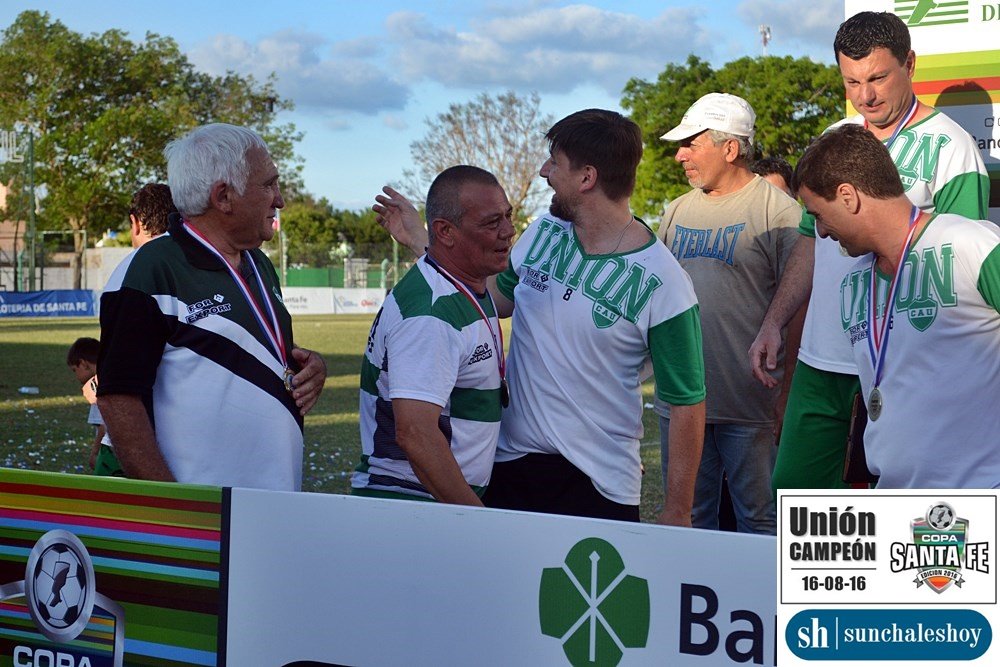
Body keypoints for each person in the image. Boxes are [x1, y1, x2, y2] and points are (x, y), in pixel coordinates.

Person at [375, 109, 706, 525]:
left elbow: (687, 401)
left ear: (586, 177)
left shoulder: (666, 282)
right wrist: (428, 242)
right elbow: (492, 300)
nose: (544, 171)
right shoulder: (542, 232)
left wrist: (678, 509)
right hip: (509, 466)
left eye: (555, 162)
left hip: (599, 482)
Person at [749, 11, 989, 492]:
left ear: (910, 65)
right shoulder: (835, 136)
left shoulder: (952, 146)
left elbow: (959, 261)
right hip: (822, 360)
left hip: (900, 363)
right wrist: (774, 321)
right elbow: (808, 242)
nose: (865, 96)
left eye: (877, 78)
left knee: (894, 503)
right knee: (796, 496)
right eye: (852, 82)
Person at [96, 123, 327, 490]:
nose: (279, 200)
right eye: (268, 185)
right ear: (223, 197)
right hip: (202, 510)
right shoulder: (153, 269)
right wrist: (173, 504)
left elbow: (239, 356)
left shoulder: (259, 263)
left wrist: (308, 369)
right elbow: (118, 398)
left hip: (275, 501)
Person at [794, 123, 1000, 487]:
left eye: (818, 215)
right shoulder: (853, 284)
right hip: (894, 499)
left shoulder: (971, 245)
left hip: (978, 498)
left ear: (847, 196)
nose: (820, 232)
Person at [657, 93, 802, 534]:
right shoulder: (676, 211)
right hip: (683, 406)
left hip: (751, 406)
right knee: (689, 519)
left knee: (760, 521)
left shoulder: (778, 211)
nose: (680, 155)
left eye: (691, 144)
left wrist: (788, 394)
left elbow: (800, 308)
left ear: (730, 148)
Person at [353, 166, 514, 504]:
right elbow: (416, 434)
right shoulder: (431, 316)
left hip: (433, 502)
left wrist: (417, 236)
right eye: (491, 223)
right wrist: (477, 519)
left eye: (507, 216)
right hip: (416, 505)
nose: (508, 231)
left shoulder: (462, 282)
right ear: (445, 232)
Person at [90, 183, 178, 475]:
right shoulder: (194, 263)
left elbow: (118, 387)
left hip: (140, 450)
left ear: (136, 222)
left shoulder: (132, 271)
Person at [66, 337, 121, 475]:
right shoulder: (113, 377)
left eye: (74, 370)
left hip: (109, 452)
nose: (76, 376)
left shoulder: (96, 387)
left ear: (83, 364)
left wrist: (95, 453)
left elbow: (104, 425)